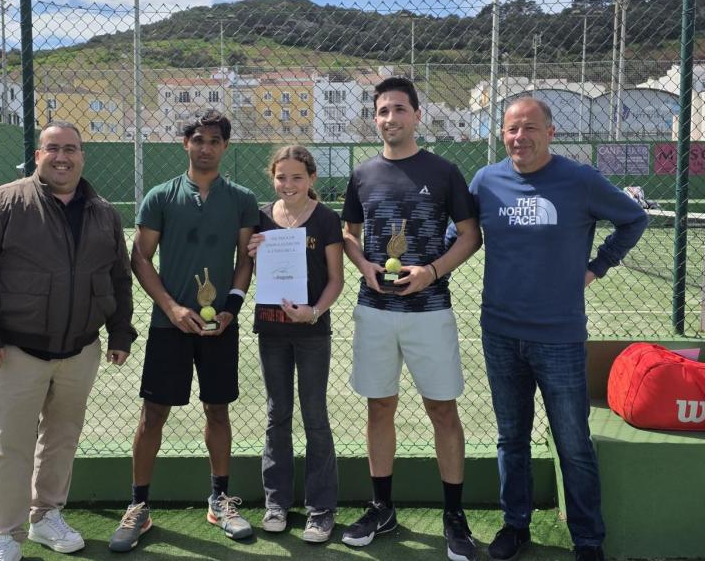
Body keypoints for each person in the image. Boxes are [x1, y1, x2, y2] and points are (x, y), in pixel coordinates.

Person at [474, 98, 649, 561]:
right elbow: (461, 234)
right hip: (499, 333)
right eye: (512, 129)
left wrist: (597, 267)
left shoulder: (580, 180)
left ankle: (588, 540)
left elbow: (634, 219)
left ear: (550, 133)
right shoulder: (486, 181)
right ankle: (516, 525)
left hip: (560, 337)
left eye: (530, 128)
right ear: (502, 134)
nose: (520, 137)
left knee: (573, 444)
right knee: (511, 438)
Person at [0, 122, 136, 561]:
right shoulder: (1, 202)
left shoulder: (103, 212)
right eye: (53, 148)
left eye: (70, 149)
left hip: (81, 350)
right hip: (16, 351)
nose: (62, 157)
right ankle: (3, 534)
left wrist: (120, 331)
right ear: (38, 155)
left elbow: (118, 277)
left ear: (82, 157)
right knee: (10, 447)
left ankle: (46, 516)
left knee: (62, 440)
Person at [340, 77, 483, 561]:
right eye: (382, 111)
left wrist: (432, 272)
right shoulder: (362, 174)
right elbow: (349, 233)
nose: (390, 118)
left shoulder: (443, 171)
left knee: (442, 410)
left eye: (399, 109)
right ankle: (382, 508)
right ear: (375, 118)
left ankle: (454, 516)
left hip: (430, 311)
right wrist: (364, 266)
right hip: (375, 311)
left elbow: (470, 235)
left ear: (417, 115)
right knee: (379, 408)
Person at [109, 110, 259, 552]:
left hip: (219, 328)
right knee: (153, 414)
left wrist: (230, 308)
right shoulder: (160, 196)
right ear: (185, 143)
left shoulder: (243, 199)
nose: (206, 147)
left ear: (225, 146)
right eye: (198, 139)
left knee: (218, 410)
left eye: (214, 141)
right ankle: (139, 506)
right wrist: (172, 308)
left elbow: (245, 259)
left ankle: (220, 501)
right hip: (168, 326)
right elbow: (140, 258)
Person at [246, 145, 344, 542]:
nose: (288, 184)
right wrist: (254, 255)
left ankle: (321, 509)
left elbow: (336, 279)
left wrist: (314, 311)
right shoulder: (261, 218)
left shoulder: (327, 219)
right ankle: (277, 503)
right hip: (271, 332)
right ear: (272, 177)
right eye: (281, 177)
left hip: (312, 333)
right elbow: (262, 278)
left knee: (315, 416)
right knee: (277, 415)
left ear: (312, 179)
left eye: (297, 177)